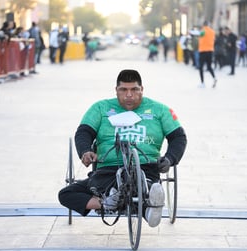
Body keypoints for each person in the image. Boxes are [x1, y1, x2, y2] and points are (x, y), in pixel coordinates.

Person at [58, 69, 187, 228]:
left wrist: (169, 159)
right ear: (116, 90)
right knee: (65, 195)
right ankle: (107, 202)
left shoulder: (160, 110)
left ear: (142, 90)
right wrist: (85, 151)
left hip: (145, 166)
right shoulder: (100, 108)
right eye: (123, 90)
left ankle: (145, 201)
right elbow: (84, 132)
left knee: (141, 183)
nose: (129, 95)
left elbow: (178, 137)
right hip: (108, 169)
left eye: (134, 89)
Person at [191, 20, 217, 88]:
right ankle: (214, 78)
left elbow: (200, 34)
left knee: (201, 67)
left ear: (203, 25)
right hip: (210, 51)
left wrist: (191, 32)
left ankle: (202, 83)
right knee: (209, 66)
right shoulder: (212, 32)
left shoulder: (203, 30)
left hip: (203, 51)